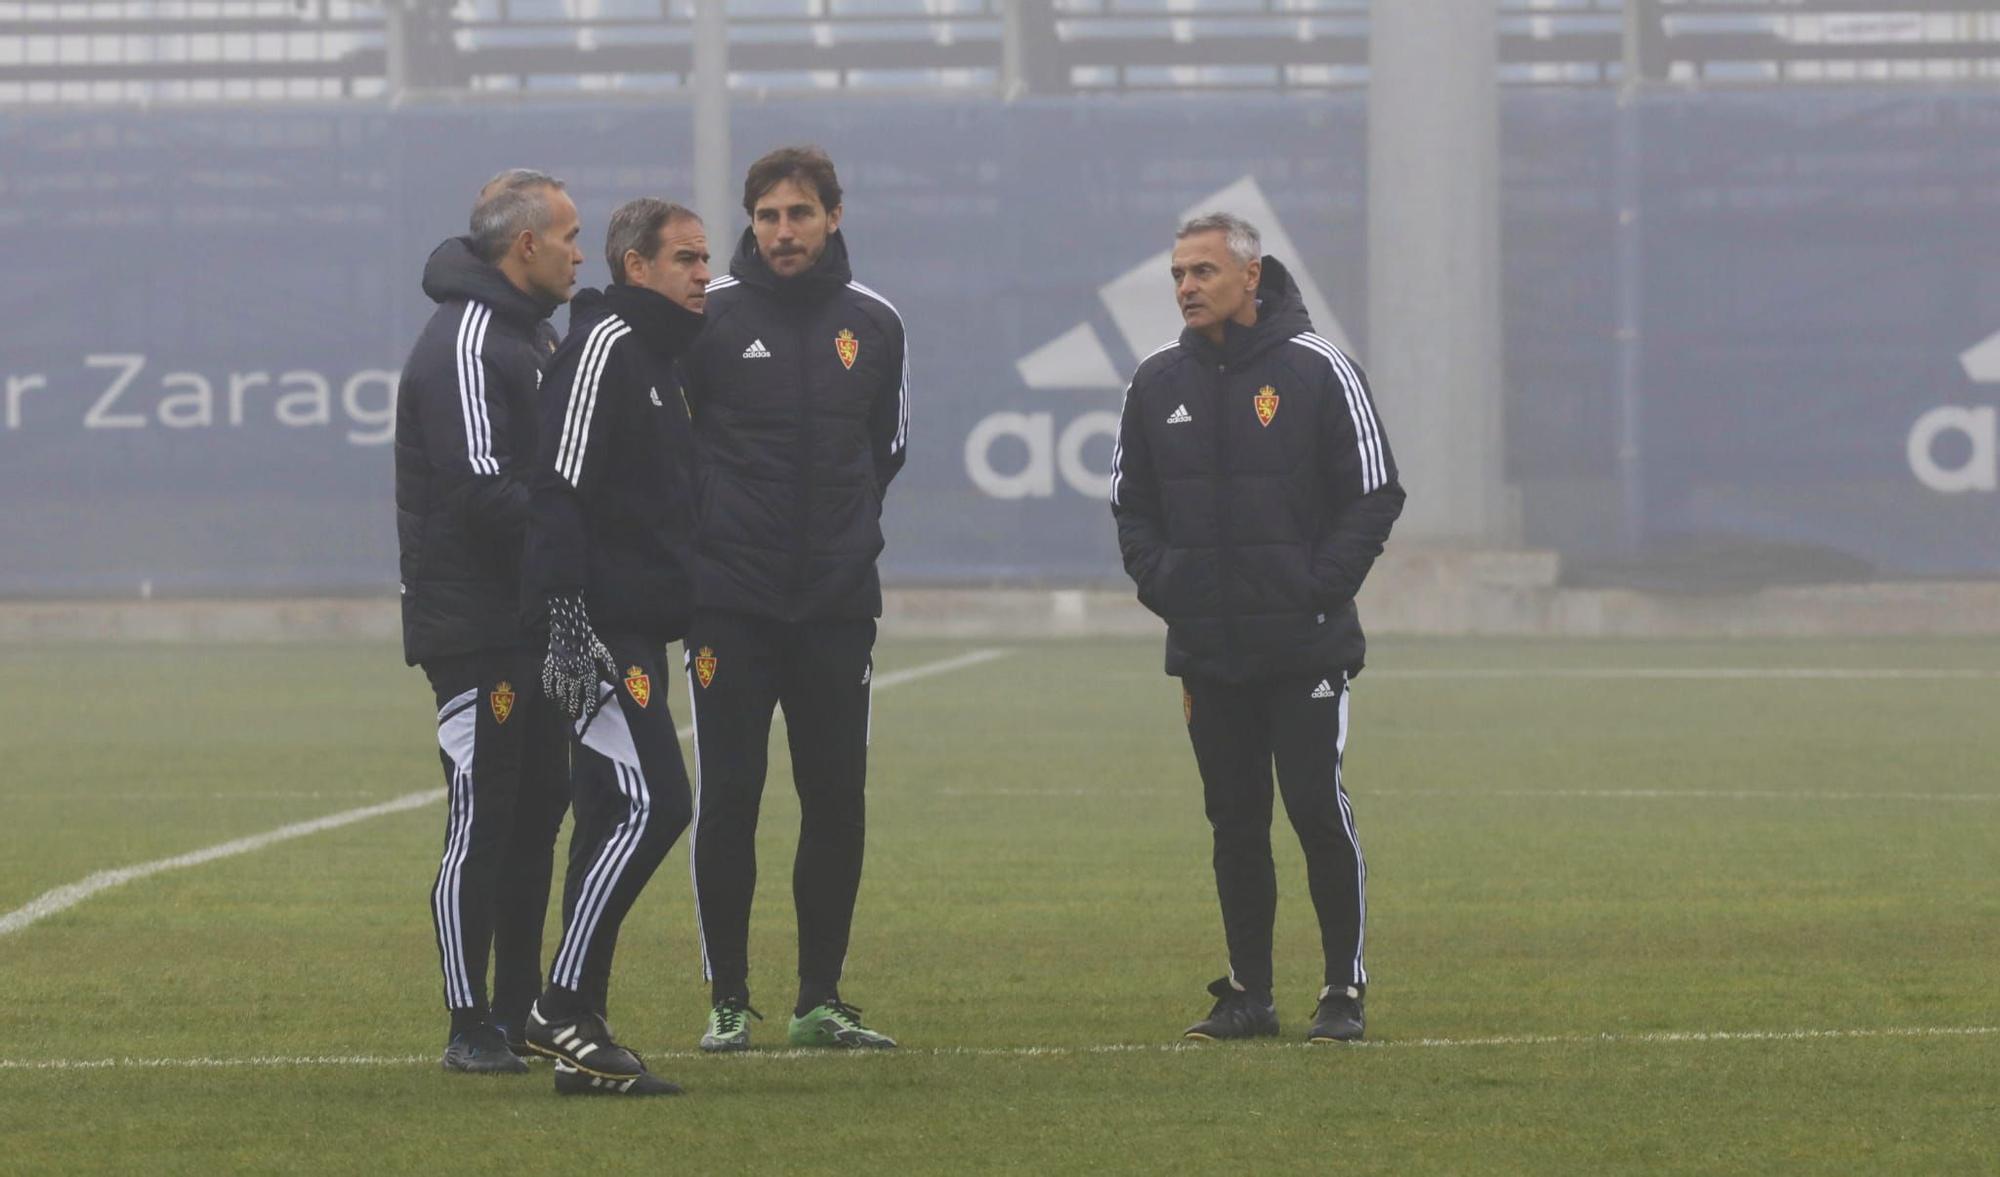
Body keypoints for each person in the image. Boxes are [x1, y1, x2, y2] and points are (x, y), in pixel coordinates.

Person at [1109, 212, 1404, 1044]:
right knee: (1234, 819)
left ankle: (1342, 990)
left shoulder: (1319, 368)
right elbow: (1131, 505)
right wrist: (1170, 585)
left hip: (1304, 644)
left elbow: (1376, 489)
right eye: (1177, 275)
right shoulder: (1155, 382)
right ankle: (1249, 993)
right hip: (1209, 649)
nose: (1186, 288)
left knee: (1314, 806)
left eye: (1202, 272)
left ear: (1250, 275)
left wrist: (1316, 587)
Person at [677, 145, 909, 1052]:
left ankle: (821, 997)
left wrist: (841, 535)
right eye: (768, 216)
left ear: (833, 217)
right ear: (750, 221)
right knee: (730, 794)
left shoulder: (876, 322)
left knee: (835, 798)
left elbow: (886, 446)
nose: (782, 231)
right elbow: (678, 445)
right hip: (728, 600)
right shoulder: (708, 317)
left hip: (837, 602)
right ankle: (728, 997)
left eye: (799, 214)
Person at [517, 198, 711, 1096]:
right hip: (594, 622)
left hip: (633, 621)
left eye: (705, 259)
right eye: (685, 258)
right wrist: (562, 613)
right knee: (655, 802)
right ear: (634, 266)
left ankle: (580, 1039)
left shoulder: (661, 363)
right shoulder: (604, 347)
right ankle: (558, 1004)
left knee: (606, 812)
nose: (703, 273)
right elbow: (557, 485)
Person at [393, 168, 583, 1074]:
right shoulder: (470, 340)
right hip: (475, 627)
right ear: (526, 246)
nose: (582, 252)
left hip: (530, 620)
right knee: (482, 816)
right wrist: (591, 539)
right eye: (571, 235)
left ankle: (515, 1009)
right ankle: (469, 1020)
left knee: (538, 810)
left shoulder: (532, 336)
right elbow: (482, 492)